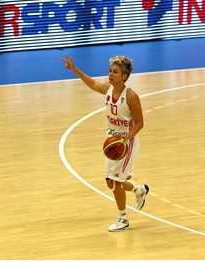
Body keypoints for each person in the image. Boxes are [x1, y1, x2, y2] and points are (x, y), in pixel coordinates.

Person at [60, 54, 149, 232]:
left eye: (115, 72)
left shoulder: (131, 96)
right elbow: (94, 85)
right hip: (112, 139)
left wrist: (126, 139)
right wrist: (75, 69)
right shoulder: (108, 88)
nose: (110, 74)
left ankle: (122, 219)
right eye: (110, 71)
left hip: (126, 141)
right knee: (111, 182)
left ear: (124, 76)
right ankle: (139, 190)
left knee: (115, 182)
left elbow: (140, 123)